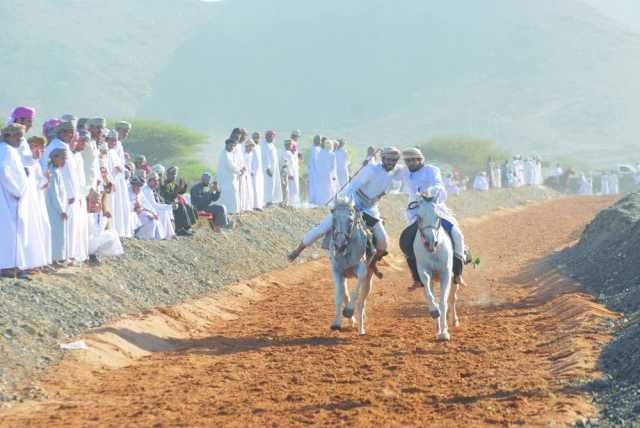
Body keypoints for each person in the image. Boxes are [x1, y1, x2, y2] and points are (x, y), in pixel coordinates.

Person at [288, 147, 405, 263]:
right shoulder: (371, 170)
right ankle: (298, 251)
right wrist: (342, 204)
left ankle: (373, 262)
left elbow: (412, 170)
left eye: (394, 160)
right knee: (322, 228)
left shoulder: (396, 171)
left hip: (371, 209)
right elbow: (352, 187)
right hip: (353, 203)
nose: (391, 162)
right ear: (383, 158)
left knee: (383, 242)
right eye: (388, 159)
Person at [397, 148, 470, 289]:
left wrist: (430, 191)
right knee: (407, 241)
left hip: (435, 209)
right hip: (416, 212)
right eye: (408, 160)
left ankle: (458, 273)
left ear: (421, 159)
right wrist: (372, 158)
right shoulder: (404, 171)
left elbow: (438, 184)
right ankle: (417, 278)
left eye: (414, 159)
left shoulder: (432, 170)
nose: (411, 162)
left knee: (457, 235)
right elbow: (388, 170)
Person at [0, 124, 30, 278]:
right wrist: (16, 192)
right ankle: (7, 267)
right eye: (18, 136)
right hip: (8, 198)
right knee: (8, 232)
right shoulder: (6, 150)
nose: (20, 139)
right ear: (8, 136)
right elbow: (4, 172)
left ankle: (12, 265)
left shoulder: (8, 150)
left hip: (9, 197)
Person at [28, 136, 53, 267]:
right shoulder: (27, 163)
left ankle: (40, 261)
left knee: (43, 228)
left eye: (41, 150)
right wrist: (45, 179)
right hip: (31, 202)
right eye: (36, 148)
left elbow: (41, 185)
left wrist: (46, 179)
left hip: (38, 201)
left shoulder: (36, 164)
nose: (39, 152)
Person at [105, 130, 134, 238]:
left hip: (117, 183)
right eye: (111, 140)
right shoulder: (105, 152)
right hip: (109, 182)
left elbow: (120, 166)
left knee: (117, 207)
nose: (113, 142)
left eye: (115, 140)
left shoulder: (113, 152)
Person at [46, 149, 70, 266]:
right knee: (55, 234)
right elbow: (54, 194)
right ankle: (52, 259)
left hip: (57, 208)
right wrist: (62, 210)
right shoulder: (53, 172)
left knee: (59, 234)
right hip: (54, 209)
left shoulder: (57, 171)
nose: (65, 160)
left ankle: (57, 258)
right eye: (63, 158)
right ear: (55, 157)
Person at [160, 166, 198, 236]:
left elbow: (180, 192)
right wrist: (178, 189)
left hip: (174, 202)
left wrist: (184, 186)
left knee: (188, 206)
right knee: (180, 207)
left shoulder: (173, 183)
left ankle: (187, 227)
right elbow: (167, 196)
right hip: (166, 203)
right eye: (172, 174)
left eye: (175, 174)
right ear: (168, 174)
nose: (174, 176)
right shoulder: (164, 183)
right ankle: (179, 228)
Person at [141, 172, 175, 240]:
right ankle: (164, 235)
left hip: (150, 209)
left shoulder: (149, 189)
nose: (157, 183)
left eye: (157, 180)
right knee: (164, 213)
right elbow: (153, 206)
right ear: (149, 180)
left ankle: (168, 234)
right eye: (155, 180)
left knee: (165, 211)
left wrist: (168, 206)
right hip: (145, 211)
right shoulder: (147, 190)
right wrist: (168, 206)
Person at [217, 138, 243, 214]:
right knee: (229, 194)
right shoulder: (225, 154)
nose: (232, 147)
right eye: (230, 146)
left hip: (229, 178)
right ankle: (231, 211)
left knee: (231, 193)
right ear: (227, 145)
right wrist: (239, 171)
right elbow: (231, 166)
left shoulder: (229, 153)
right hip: (225, 179)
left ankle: (233, 210)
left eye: (233, 146)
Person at [260, 130, 283, 206]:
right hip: (268, 169)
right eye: (270, 136)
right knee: (268, 184)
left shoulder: (272, 145)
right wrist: (268, 168)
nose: (272, 138)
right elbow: (265, 158)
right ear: (266, 136)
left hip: (274, 168)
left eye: (273, 136)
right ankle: (268, 201)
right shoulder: (264, 145)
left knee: (273, 184)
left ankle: (272, 200)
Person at [315, 140, 338, 205]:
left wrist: (320, 171)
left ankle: (320, 201)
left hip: (321, 173)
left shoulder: (320, 153)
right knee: (328, 187)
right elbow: (333, 166)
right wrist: (332, 175)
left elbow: (318, 163)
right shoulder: (332, 154)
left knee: (321, 187)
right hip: (328, 174)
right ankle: (327, 201)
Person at [248, 132, 264, 210]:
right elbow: (249, 159)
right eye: (255, 137)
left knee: (259, 188)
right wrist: (251, 170)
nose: (256, 139)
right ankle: (254, 205)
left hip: (259, 172)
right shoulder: (251, 147)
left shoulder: (259, 147)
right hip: (253, 172)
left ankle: (258, 205)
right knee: (254, 188)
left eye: (258, 137)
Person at [282, 139, 300, 207]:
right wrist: (290, 174)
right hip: (289, 174)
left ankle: (294, 202)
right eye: (289, 145)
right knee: (290, 189)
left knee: (294, 188)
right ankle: (290, 203)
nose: (290, 146)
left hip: (293, 174)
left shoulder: (290, 153)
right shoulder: (286, 153)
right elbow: (286, 165)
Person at [240, 140, 256, 212]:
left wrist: (251, 172)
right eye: (250, 146)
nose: (251, 148)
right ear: (247, 146)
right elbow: (242, 165)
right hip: (243, 175)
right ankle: (243, 207)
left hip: (248, 174)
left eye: (252, 147)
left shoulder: (250, 154)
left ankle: (248, 207)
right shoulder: (243, 154)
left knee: (249, 190)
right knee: (244, 191)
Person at [308, 135, 322, 205]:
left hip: (316, 170)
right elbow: (316, 161)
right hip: (315, 171)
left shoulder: (317, 148)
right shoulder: (315, 149)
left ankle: (315, 199)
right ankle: (313, 200)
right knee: (314, 185)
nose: (320, 141)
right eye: (318, 140)